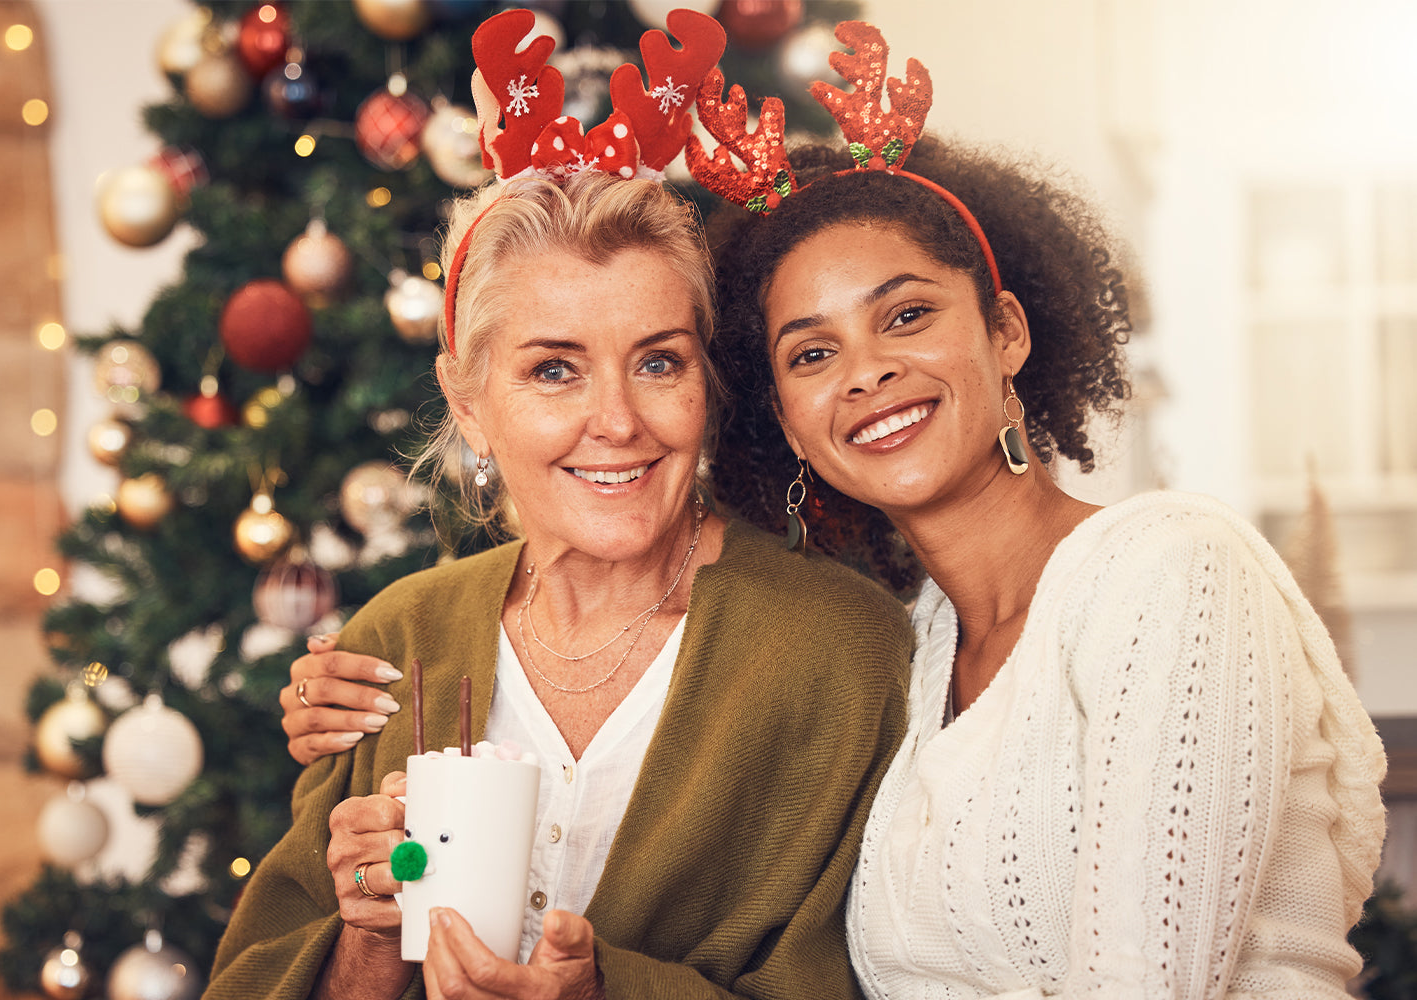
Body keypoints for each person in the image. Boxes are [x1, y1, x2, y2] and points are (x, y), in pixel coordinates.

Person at [284, 17, 1387, 999]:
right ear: (781, 408)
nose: (864, 374)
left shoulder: (1165, 568)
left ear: (1007, 331)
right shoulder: (920, 646)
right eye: (813, 350)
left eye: (906, 316)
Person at [207, 166, 912, 1000]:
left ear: (704, 384)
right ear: (469, 403)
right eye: (554, 370)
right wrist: (367, 939)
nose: (617, 421)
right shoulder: (396, 642)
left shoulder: (838, 649)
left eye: (658, 363)